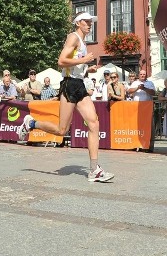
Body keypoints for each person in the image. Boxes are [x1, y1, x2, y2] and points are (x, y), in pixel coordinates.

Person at [17, 12, 114, 182]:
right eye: (87, 21)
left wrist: (86, 69)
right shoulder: (73, 37)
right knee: (62, 130)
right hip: (69, 85)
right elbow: (61, 61)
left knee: (94, 123)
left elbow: (73, 66)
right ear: (78, 23)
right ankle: (31, 123)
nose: (90, 24)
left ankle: (94, 170)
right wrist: (84, 59)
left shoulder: (82, 42)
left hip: (79, 84)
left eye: (91, 22)